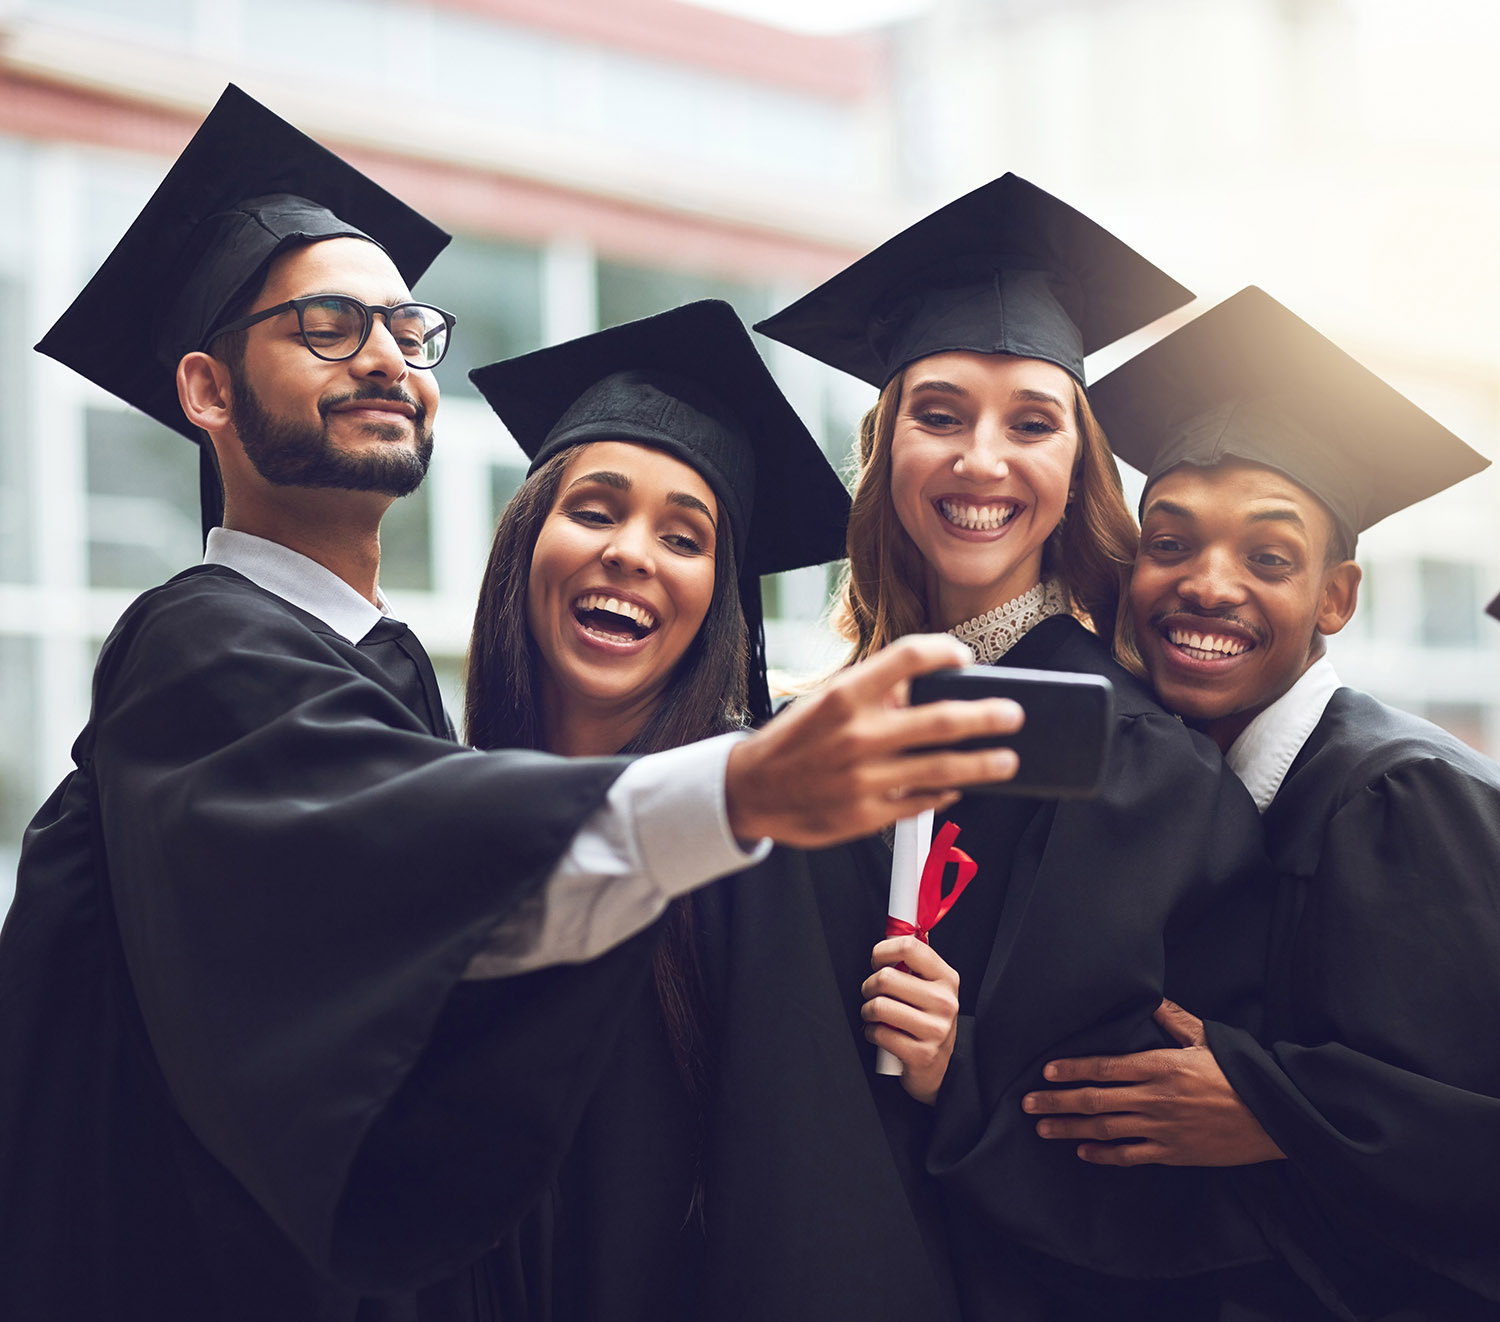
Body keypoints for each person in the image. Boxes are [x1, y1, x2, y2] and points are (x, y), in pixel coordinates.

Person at [0, 89, 1027, 1322]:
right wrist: (739, 790)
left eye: (404, 327)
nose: (384, 355)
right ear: (209, 391)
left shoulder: (374, 685)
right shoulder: (201, 652)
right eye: (327, 324)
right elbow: (390, 875)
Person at [704, 175, 1277, 1321]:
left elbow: (1139, 1134)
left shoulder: (1129, 757)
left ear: (1076, 472)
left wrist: (951, 1065)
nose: (982, 460)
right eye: (941, 413)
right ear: (889, 446)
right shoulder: (812, 725)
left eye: (1030, 422)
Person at [1024, 286, 1500, 1321]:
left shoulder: (1401, 794)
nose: (1207, 582)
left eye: (1269, 557)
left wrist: (1281, 1109)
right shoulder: (1176, 791)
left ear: (1337, 597)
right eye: (1171, 541)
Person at [462, 297, 854, 1320]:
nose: (632, 551)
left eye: (685, 535)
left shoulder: (748, 840)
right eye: (594, 508)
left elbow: (800, 1200)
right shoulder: (435, 811)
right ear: (525, 540)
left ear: (718, 594)